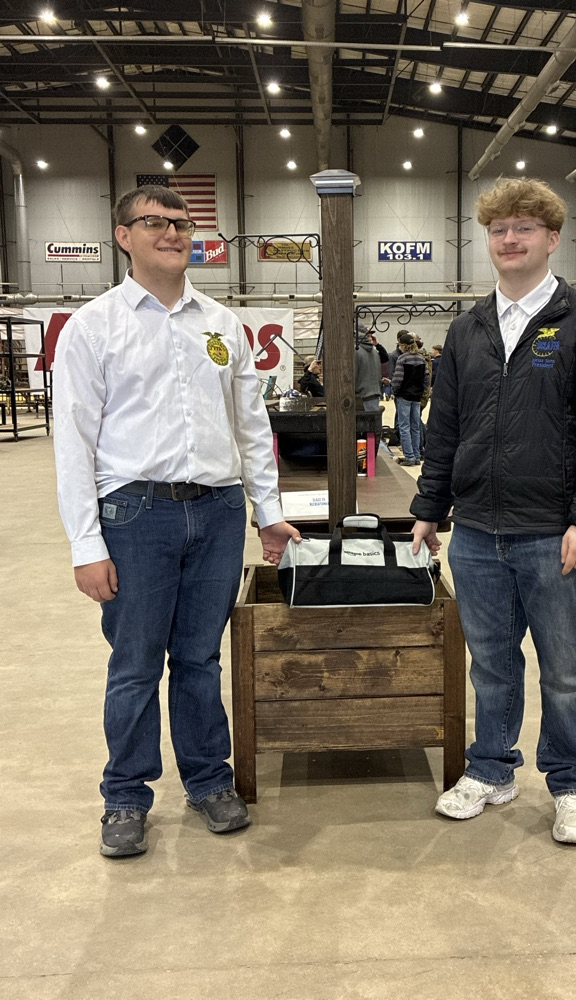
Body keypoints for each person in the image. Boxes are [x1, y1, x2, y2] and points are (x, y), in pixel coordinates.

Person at [53, 184, 301, 858]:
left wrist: (268, 512)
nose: (171, 231)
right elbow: (72, 441)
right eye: (153, 221)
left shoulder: (220, 325)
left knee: (198, 659)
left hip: (217, 513)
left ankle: (208, 781)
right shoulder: (94, 326)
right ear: (122, 235)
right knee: (134, 665)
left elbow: (252, 427)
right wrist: (85, 543)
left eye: (181, 222)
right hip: (135, 517)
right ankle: (126, 796)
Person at [409, 177, 576, 844]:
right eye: (499, 229)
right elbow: (445, 426)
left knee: (565, 669)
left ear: (552, 238)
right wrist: (430, 506)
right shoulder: (467, 329)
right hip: (477, 533)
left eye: (524, 228)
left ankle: (571, 783)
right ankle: (491, 770)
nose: (510, 239)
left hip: (553, 535)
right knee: (491, 664)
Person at [391, 337, 429, 466]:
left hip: (404, 396)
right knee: (415, 427)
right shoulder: (421, 358)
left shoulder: (402, 358)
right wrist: (422, 392)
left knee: (404, 427)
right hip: (417, 397)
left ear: (403, 346)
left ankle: (409, 457)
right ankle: (417, 456)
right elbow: (426, 378)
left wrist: (394, 391)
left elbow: (397, 379)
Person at [354, 325, 383, 412]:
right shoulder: (374, 351)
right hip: (374, 393)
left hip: (361, 396)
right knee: (372, 423)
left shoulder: (355, 351)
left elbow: (352, 374)